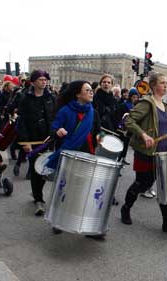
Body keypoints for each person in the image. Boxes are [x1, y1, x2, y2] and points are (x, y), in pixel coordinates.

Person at [120, 72, 167, 232]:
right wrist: (143, 134)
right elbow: (128, 120)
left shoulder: (166, 106)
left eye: (166, 83)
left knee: (164, 186)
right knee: (142, 184)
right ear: (154, 85)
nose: (165, 85)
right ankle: (126, 208)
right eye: (162, 83)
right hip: (146, 152)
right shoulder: (146, 103)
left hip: (163, 154)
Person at [45, 80, 104, 238]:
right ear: (78, 93)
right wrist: (58, 131)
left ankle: (88, 227)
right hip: (69, 155)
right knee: (64, 189)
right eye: (87, 90)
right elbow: (53, 128)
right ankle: (58, 220)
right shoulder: (65, 111)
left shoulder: (93, 111)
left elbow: (99, 131)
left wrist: (99, 136)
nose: (91, 92)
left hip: (88, 154)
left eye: (92, 90)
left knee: (86, 191)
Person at [17, 70, 56, 216]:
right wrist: (25, 142)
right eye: (40, 79)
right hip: (33, 140)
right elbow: (21, 122)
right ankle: (38, 199)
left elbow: (55, 116)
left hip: (48, 139)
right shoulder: (25, 99)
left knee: (45, 169)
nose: (44, 82)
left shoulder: (51, 98)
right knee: (35, 170)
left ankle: (36, 193)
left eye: (45, 79)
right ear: (33, 82)